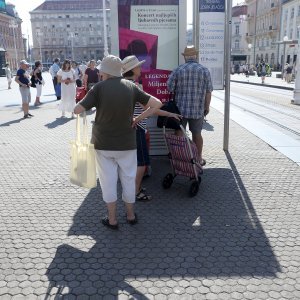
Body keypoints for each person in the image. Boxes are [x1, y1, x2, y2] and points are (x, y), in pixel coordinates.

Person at [74, 55, 163, 230]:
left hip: (103, 144)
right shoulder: (131, 87)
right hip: (127, 144)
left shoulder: (98, 89)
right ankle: (130, 216)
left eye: (101, 71)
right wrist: (137, 119)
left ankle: (112, 219)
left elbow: (77, 110)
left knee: (108, 181)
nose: (99, 74)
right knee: (129, 180)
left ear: (106, 72)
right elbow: (157, 104)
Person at [122, 55, 182, 202]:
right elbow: (153, 106)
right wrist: (138, 119)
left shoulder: (122, 85)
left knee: (132, 163)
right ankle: (135, 192)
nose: (140, 68)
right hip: (137, 128)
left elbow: (149, 108)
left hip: (126, 129)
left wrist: (168, 113)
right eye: (138, 66)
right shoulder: (135, 87)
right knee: (141, 162)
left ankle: (133, 189)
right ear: (133, 69)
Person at [167, 45, 213, 166]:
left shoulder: (178, 69)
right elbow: (208, 91)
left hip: (180, 110)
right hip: (198, 110)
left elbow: (170, 88)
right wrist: (206, 107)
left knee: (179, 133)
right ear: (196, 56)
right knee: (197, 133)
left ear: (186, 57)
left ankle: (179, 159)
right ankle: (198, 159)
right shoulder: (204, 70)